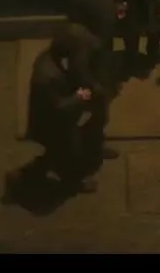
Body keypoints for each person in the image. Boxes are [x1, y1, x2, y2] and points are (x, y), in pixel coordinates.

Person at [8, 24, 106, 196]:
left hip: (56, 119)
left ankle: (26, 175)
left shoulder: (53, 58)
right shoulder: (47, 75)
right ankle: (74, 183)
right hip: (50, 122)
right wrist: (80, 97)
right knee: (68, 152)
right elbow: (59, 107)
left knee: (57, 153)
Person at [66, 0, 123, 159]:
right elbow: (78, 20)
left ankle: (90, 142)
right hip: (87, 48)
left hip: (102, 44)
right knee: (88, 98)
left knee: (100, 100)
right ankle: (81, 146)